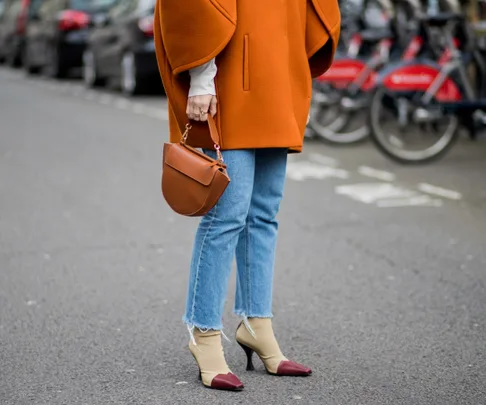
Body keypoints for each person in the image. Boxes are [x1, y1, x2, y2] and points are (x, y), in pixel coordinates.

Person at [154, 0, 340, 391]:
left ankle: (257, 324)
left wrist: (298, 80)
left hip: (280, 77)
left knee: (264, 213)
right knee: (227, 214)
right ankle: (203, 332)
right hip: (230, 78)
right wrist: (202, 78)